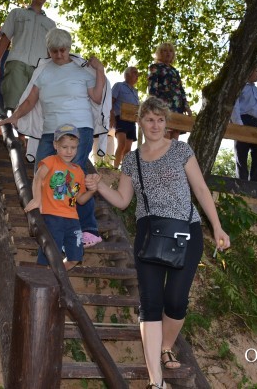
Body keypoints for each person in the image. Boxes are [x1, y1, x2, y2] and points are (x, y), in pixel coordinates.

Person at [86, 96, 230, 389]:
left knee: (176, 301)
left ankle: (166, 345)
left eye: (160, 120)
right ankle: (156, 381)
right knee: (151, 304)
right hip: (149, 235)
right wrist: (100, 185)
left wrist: (217, 226)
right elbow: (123, 201)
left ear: (166, 123)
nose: (155, 125)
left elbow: (201, 189)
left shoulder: (180, 150)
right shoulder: (132, 159)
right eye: (149, 119)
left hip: (185, 233)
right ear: (140, 122)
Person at [0, 28, 111, 247]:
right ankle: (50, 221)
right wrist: (15, 117)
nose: (59, 55)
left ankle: (88, 230)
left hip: (79, 129)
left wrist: (100, 70)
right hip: (51, 132)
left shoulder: (81, 71)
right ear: (48, 50)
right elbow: (30, 100)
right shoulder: (43, 71)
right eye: (54, 51)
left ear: (69, 48)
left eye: (63, 50)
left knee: (75, 176)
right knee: (42, 170)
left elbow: (97, 98)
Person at [25, 124, 100, 270]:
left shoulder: (78, 172)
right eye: (64, 147)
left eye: (73, 147)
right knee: (49, 254)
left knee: (75, 257)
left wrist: (91, 191)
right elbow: (38, 178)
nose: (69, 151)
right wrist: (37, 199)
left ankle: (55, 275)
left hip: (73, 219)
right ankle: (44, 276)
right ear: (55, 145)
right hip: (52, 216)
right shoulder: (51, 161)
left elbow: (79, 199)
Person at [0, 0, 56, 111]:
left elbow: (50, 52)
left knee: (34, 110)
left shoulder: (51, 24)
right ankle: (12, 124)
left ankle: (24, 127)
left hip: (38, 70)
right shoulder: (17, 13)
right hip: (17, 63)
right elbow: (5, 39)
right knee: (14, 105)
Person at [147, 42, 191, 140]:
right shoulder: (155, 67)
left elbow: (181, 90)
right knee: (165, 137)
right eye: (165, 50)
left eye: (170, 51)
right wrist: (154, 106)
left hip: (177, 107)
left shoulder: (175, 71)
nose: (168, 53)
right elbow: (152, 88)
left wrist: (186, 107)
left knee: (174, 140)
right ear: (159, 53)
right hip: (163, 107)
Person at [110, 66, 141, 169]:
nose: (137, 76)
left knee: (128, 148)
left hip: (132, 121)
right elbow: (111, 101)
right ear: (127, 75)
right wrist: (111, 116)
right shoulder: (119, 85)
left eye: (137, 74)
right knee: (121, 144)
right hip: (121, 119)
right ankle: (115, 168)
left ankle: (125, 170)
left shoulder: (135, 91)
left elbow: (137, 108)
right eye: (135, 73)